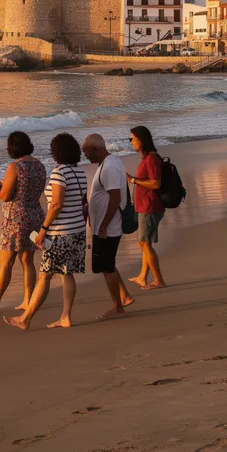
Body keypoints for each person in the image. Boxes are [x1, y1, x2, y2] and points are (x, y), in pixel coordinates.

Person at [6, 134, 88, 330]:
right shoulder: (80, 172)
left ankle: (25, 319)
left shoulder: (59, 172)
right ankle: (65, 316)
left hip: (60, 231)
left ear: (57, 152)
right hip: (77, 229)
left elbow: (57, 204)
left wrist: (43, 229)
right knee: (67, 274)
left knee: (45, 275)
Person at [0, 131, 47, 312]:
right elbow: (30, 188)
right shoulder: (39, 165)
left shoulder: (15, 167)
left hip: (16, 219)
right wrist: (5, 183)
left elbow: (5, 196)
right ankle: (27, 300)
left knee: (6, 262)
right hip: (35, 215)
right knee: (27, 261)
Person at [81, 133, 134, 320]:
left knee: (107, 266)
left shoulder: (110, 166)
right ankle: (124, 297)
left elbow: (115, 198)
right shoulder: (108, 163)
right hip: (104, 226)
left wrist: (103, 226)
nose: (84, 155)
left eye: (85, 151)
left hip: (108, 228)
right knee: (108, 263)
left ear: (95, 149)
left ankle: (118, 308)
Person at [126, 126, 167, 291]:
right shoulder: (147, 158)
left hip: (150, 206)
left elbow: (156, 183)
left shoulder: (151, 159)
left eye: (132, 139)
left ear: (141, 140)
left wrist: (134, 180)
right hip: (146, 206)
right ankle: (143, 277)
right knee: (145, 243)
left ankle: (159, 280)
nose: (130, 142)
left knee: (144, 243)